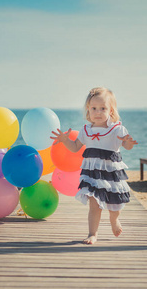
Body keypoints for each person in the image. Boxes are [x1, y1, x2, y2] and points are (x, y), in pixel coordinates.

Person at [50, 87, 137, 244]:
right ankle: (92, 234)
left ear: (111, 110)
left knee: (114, 204)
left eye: (103, 108)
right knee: (94, 204)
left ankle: (114, 220)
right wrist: (65, 140)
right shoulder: (86, 130)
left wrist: (128, 143)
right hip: (92, 174)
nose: (98, 112)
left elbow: (126, 145)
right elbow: (75, 147)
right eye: (94, 108)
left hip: (111, 173)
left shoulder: (117, 129)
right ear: (88, 110)